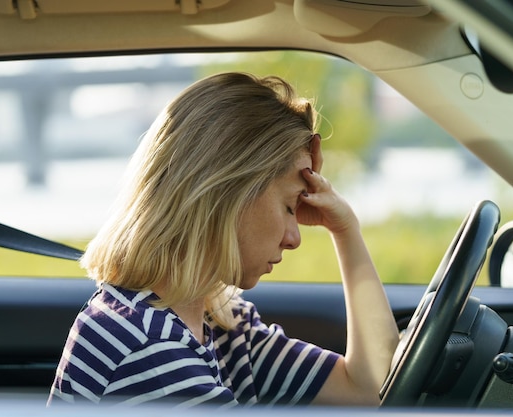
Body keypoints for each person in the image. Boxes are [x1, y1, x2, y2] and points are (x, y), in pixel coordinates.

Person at [48, 72, 400, 408]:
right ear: (230, 193)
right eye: (289, 207)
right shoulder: (148, 346)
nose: (294, 239)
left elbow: (367, 390)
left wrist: (345, 228)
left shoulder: (220, 323)